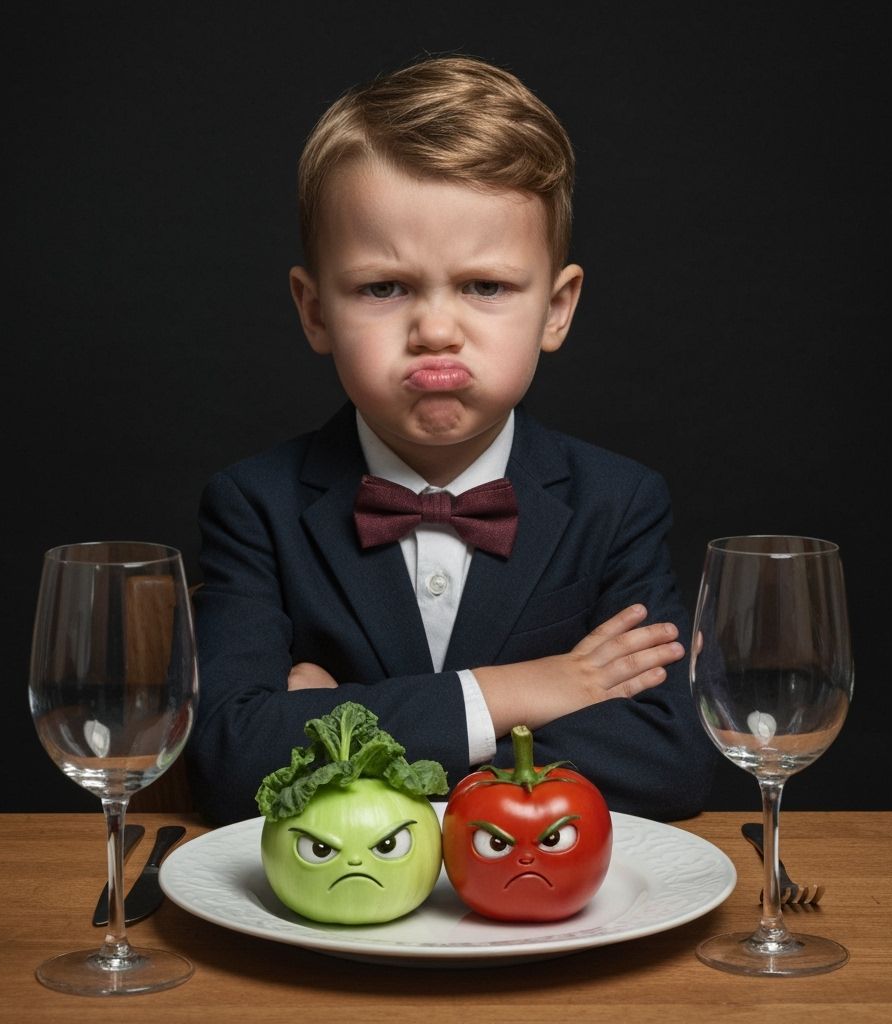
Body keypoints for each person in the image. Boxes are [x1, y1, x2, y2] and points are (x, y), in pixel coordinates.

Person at [187, 54, 716, 826]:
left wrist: (344, 727)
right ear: (313, 310)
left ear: (557, 308)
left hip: (544, 920)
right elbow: (229, 762)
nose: (436, 329)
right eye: (384, 287)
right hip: (327, 921)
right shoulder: (253, 505)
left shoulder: (618, 503)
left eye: (485, 286)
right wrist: (518, 691)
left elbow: (671, 761)